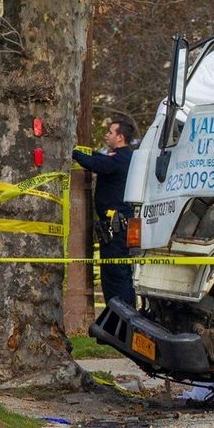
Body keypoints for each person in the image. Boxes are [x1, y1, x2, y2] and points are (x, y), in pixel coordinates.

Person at [73, 119, 137, 306]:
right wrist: (86, 152)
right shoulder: (119, 157)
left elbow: (97, 164)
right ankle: (116, 319)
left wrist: (74, 153)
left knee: (116, 275)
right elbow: (100, 159)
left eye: (110, 132)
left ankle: (121, 317)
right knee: (113, 275)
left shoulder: (121, 159)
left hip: (117, 229)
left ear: (120, 137)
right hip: (114, 228)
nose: (106, 135)